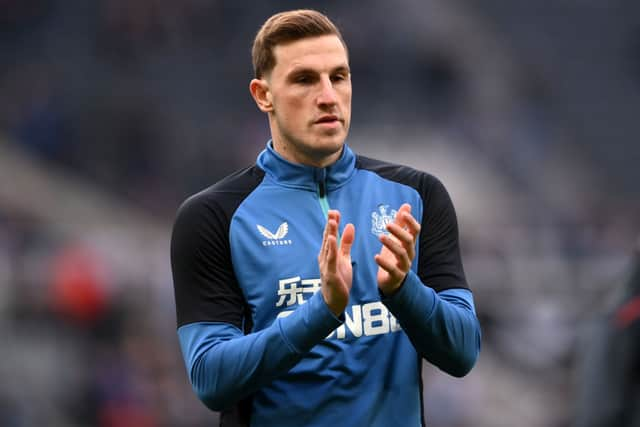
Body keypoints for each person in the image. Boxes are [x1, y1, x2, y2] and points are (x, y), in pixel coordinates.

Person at [171, 9, 481, 427]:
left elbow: (463, 352)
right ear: (263, 95)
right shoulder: (214, 216)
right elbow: (211, 379)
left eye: (339, 76)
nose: (328, 95)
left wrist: (405, 291)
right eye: (304, 79)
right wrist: (321, 310)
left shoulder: (417, 196)